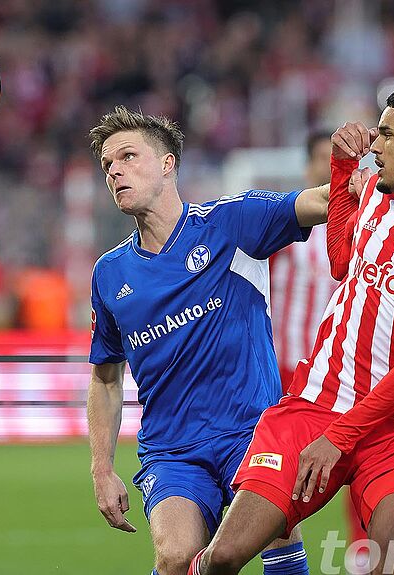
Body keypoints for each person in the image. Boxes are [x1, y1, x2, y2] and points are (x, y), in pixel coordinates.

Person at [188, 85, 394, 575]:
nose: (375, 144)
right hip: (317, 402)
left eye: (387, 134)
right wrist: (342, 170)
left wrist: (342, 434)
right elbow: (341, 260)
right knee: (225, 556)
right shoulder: (377, 195)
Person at [87, 106, 329, 575]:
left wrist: (374, 182)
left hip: (252, 431)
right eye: (107, 165)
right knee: (176, 556)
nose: (114, 170)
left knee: (279, 532)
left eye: (128, 156)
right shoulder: (110, 273)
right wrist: (102, 468)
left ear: (167, 164)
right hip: (172, 449)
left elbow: (318, 202)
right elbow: (105, 378)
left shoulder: (231, 222)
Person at [269, 131, 369, 568]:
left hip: (343, 371)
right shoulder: (284, 226)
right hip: (286, 369)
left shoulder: (366, 224)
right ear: (308, 166)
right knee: (279, 474)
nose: (326, 168)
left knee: (362, 460)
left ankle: (363, 553)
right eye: (320, 160)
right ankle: (280, 556)